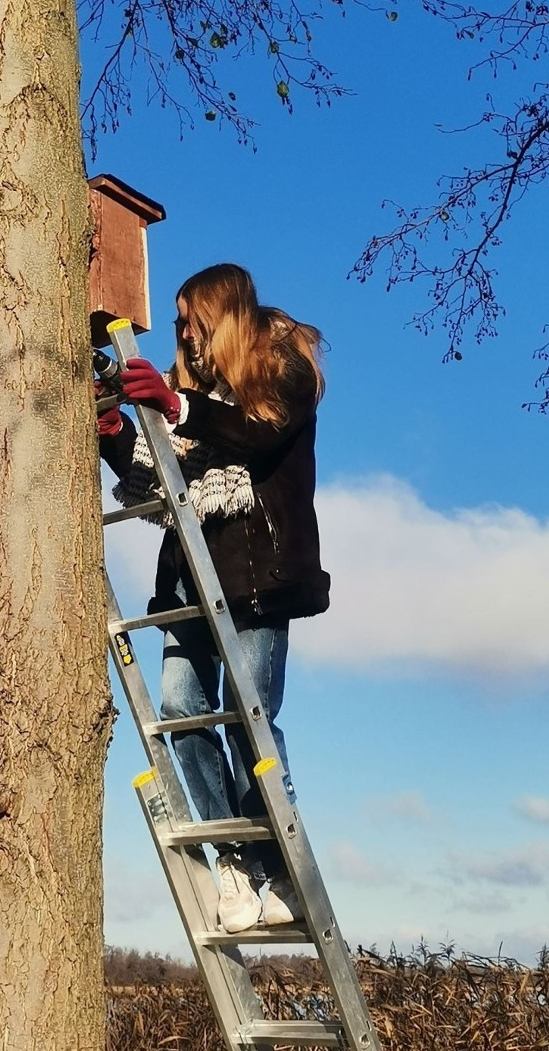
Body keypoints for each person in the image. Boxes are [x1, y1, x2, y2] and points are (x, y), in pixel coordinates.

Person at [98, 262, 330, 934]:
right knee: (181, 708)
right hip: (191, 578)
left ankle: (280, 865)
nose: (181, 330)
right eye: (175, 319)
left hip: (259, 578)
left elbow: (257, 433)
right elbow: (158, 476)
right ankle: (233, 858)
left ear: (223, 312)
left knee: (245, 715)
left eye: (189, 316)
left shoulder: (285, 369)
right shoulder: (187, 390)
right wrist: (119, 434)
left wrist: (179, 408)